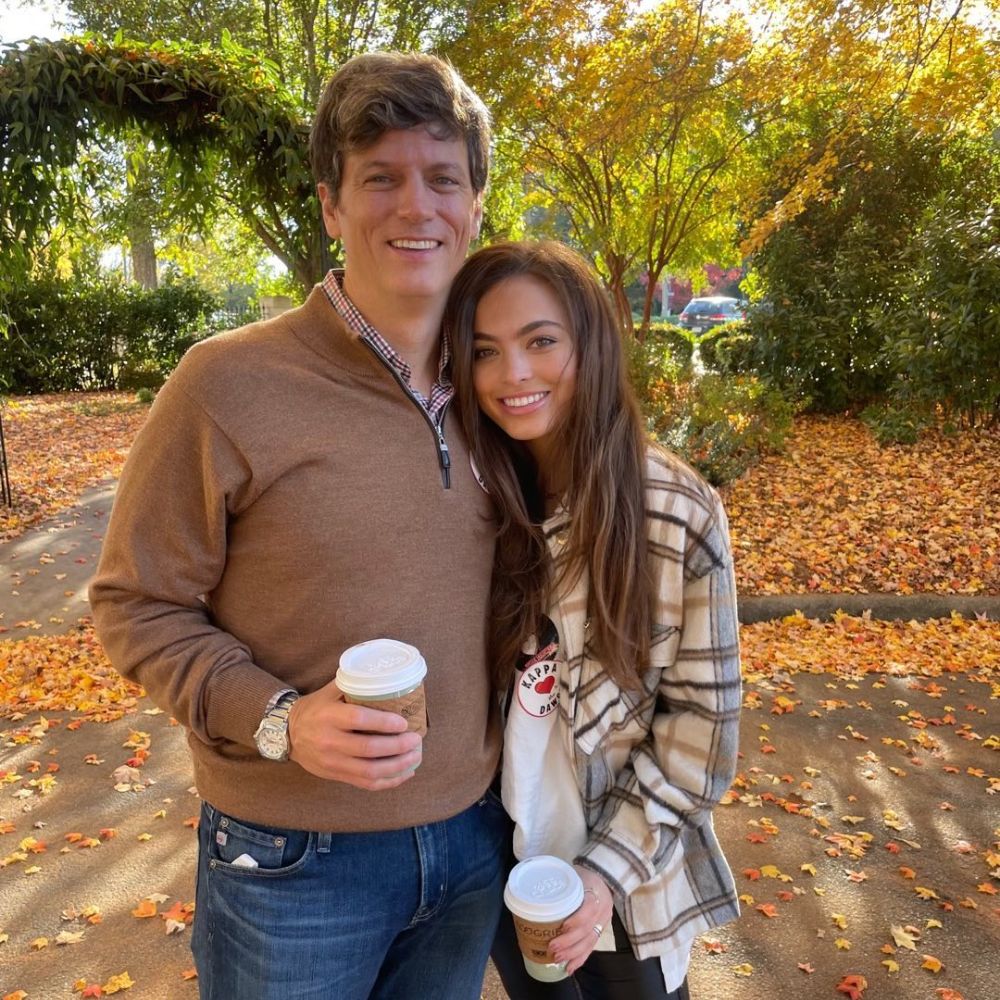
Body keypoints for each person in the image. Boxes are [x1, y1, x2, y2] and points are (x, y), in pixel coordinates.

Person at [89, 52, 508, 1000]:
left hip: (476, 840)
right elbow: (134, 602)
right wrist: (279, 721)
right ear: (331, 205)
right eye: (381, 179)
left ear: (475, 206)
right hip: (290, 859)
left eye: (443, 178)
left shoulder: (503, 389)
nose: (416, 207)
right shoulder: (226, 384)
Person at [444, 241, 742, 999]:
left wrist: (604, 874)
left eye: (541, 341)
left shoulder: (672, 513)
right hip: (506, 861)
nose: (513, 374)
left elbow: (701, 734)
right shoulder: (474, 500)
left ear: (591, 344)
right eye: (485, 351)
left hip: (623, 868)